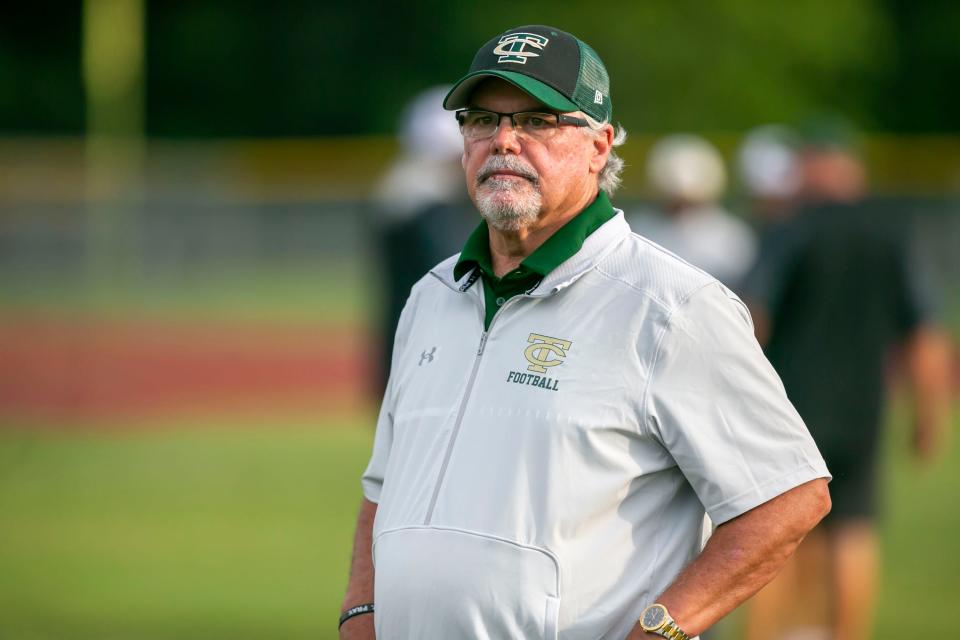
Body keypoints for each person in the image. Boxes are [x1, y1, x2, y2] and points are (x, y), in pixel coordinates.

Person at [340, 25, 831, 640]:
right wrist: (360, 612)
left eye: (539, 120)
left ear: (599, 145)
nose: (504, 141)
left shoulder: (671, 306)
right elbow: (384, 486)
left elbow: (788, 496)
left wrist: (662, 631)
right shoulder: (432, 296)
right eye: (481, 119)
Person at [741, 118, 953, 640]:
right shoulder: (890, 234)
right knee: (853, 530)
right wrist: (929, 416)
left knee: (774, 532)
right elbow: (925, 334)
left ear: (812, 166)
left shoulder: (790, 229)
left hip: (788, 408)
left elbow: (754, 317)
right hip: (863, 409)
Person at [370, 85, 477, 394]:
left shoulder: (398, 195)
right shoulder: (429, 209)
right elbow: (456, 281)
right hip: (430, 365)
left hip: (406, 358)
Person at [629, 134, 756, 290]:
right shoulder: (639, 229)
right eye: (676, 203)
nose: (683, 213)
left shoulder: (731, 237)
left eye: (690, 204)